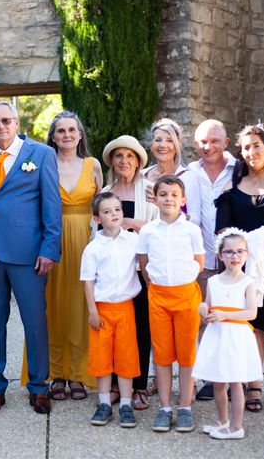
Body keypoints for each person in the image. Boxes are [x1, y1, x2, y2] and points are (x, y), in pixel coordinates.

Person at [188, 119, 264, 401]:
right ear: (240, 153)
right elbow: (223, 228)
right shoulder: (231, 187)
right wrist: (250, 245)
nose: (252, 152)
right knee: (252, 328)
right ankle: (253, 386)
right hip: (242, 268)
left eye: (256, 146)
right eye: (246, 148)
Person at [0, 101, 62, 415]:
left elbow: (52, 205)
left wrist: (49, 248)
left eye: (5, 121)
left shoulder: (41, 154)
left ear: (16, 122)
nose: (0, 127)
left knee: (35, 322)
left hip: (29, 254)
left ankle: (39, 387)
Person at [21, 111, 102, 401]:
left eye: (72, 130)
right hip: (50, 240)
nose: (67, 135)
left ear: (80, 134)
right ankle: (56, 373)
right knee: (51, 306)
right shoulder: (44, 163)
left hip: (84, 239)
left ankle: (80, 373)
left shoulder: (93, 166)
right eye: (60, 131)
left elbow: (100, 208)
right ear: (53, 137)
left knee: (81, 306)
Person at [137, 175, 204, 433]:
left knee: (187, 355)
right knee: (162, 355)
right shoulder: (148, 231)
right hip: (159, 296)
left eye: (174, 195)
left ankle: (185, 406)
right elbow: (143, 262)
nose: (169, 199)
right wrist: (153, 282)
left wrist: (183, 280)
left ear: (183, 199)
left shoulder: (191, 230)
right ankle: (165, 408)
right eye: (163, 194)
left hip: (186, 295)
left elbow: (199, 261)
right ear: (156, 198)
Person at [100, 135, 158, 410]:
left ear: (138, 162)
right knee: (113, 329)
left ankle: (138, 385)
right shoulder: (105, 191)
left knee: (140, 328)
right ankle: (114, 383)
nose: (124, 161)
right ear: (112, 161)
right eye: (119, 156)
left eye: (130, 156)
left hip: (141, 269)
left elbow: (159, 228)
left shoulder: (148, 190)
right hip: (114, 272)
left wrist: (131, 222)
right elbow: (96, 229)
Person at [193, 228, 262, 440]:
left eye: (240, 251)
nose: (235, 256)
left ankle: (237, 426)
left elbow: (251, 312)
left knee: (235, 381)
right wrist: (204, 308)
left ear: (247, 254)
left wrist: (224, 315)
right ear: (220, 255)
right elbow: (210, 305)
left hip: (236, 337)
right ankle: (223, 420)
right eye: (230, 252)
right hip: (217, 335)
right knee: (218, 381)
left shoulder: (248, 282)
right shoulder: (213, 281)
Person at [81, 192, 142, 428]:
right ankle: (104, 403)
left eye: (117, 209)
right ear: (97, 219)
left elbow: (150, 238)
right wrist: (92, 311)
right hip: (102, 310)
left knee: (126, 356)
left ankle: (126, 404)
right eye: (107, 212)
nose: (114, 214)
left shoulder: (133, 241)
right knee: (102, 357)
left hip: (125, 308)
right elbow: (88, 281)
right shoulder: (93, 248)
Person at [143, 118, 201, 225]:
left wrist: (165, 205)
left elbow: (195, 219)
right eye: (158, 140)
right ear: (151, 145)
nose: (163, 145)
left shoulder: (188, 177)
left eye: (169, 140)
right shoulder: (142, 175)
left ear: (177, 145)